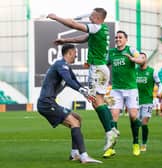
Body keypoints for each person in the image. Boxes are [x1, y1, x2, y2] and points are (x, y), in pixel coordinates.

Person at [47, 8, 119, 154]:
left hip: (97, 69)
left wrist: (56, 17)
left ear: (98, 18)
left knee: (96, 101)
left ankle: (110, 132)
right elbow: (83, 38)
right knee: (97, 100)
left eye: (92, 16)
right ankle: (112, 128)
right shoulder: (102, 29)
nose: (90, 18)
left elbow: (73, 24)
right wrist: (65, 41)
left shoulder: (96, 26)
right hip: (101, 68)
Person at [37, 44, 102, 164]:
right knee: (74, 122)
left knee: (78, 118)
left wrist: (85, 93)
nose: (76, 55)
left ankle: (74, 153)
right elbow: (68, 80)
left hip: (50, 103)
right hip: (46, 103)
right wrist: (82, 91)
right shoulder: (60, 64)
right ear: (70, 53)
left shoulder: (66, 67)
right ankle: (84, 156)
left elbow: (74, 81)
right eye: (75, 53)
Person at [106, 30, 145, 157]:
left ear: (126, 39)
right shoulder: (111, 52)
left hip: (131, 89)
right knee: (113, 116)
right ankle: (111, 147)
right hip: (116, 89)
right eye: (116, 37)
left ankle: (135, 143)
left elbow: (141, 60)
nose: (117, 39)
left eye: (120, 37)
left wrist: (134, 59)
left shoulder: (131, 49)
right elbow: (104, 64)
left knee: (133, 116)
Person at [136, 52, 162, 152]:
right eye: (139, 58)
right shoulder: (134, 71)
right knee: (136, 124)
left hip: (147, 100)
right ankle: (136, 142)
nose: (140, 59)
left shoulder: (152, 71)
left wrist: (159, 92)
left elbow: (160, 84)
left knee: (144, 123)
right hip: (136, 101)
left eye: (142, 57)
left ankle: (144, 144)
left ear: (146, 59)